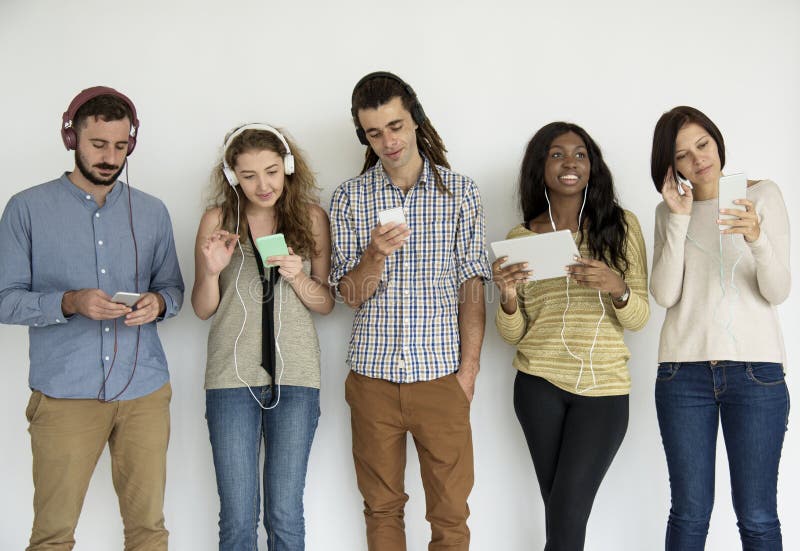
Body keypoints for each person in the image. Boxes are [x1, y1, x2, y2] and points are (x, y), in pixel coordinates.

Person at [0, 86, 184, 550]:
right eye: (98, 144)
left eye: (120, 146)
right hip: (65, 395)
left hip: (144, 391)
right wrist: (69, 302)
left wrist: (157, 304)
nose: (109, 157)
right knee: (53, 535)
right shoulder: (25, 208)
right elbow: (4, 299)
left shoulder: (152, 212)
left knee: (148, 531)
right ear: (71, 139)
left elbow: (173, 290)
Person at [329, 71, 491, 551]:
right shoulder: (349, 198)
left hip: (442, 375)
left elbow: (472, 285)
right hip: (372, 378)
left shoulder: (460, 192)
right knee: (381, 509)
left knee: (450, 516)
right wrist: (374, 254)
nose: (388, 141)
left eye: (395, 126)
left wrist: (469, 370)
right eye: (374, 132)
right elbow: (350, 295)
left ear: (415, 120)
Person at [493, 122, 649, 550]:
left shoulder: (623, 226)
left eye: (580, 154)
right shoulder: (519, 238)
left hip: (604, 391)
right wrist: (506, 298)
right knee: (563, 519)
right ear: (540, 167)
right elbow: (514, 332)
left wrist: (616, 287)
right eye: (557, 154)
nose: (569, 163)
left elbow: (639, 318)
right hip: (537, 386)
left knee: (564, 517)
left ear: (592, 166)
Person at [649, 106, 790, 550]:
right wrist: (677, 217)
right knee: (689, 514)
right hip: (682, 374)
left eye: (702, 145)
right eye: (683, 155)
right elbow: (665, 295)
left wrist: (756, 239)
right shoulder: (668, 211)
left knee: (758, 516)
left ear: (717, 140)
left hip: (756, 373)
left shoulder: (762, 195)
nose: (698, 160)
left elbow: (778, 290)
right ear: (671, 167)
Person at [192, 123, 333, 550]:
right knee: (237, 517)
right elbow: (202, 308)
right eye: (249, 175)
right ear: (233, 175)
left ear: (288, 167)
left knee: (285, 514)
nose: (263, 184)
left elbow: (325, 303)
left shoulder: (310, 217)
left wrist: (297, 275)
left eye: (272, 172)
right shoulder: (218, 219)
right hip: (229, 379)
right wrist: (212, 270)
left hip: (296, 378)